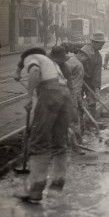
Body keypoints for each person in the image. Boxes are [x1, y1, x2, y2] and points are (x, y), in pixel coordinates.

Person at [13, 47, 71, 203]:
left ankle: (35, 191)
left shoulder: (30, 57)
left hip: (50, 94)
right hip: (65, 95)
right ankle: (57, 186)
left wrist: (29, 97)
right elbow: (21, 70)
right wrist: (18, 73)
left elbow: (33, 72)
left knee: (39, 142)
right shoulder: (50, 61)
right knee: (60, 143)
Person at [60, 42, 85, 147]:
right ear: (78, 53)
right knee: (74, 117)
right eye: (84, 56)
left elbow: (75, 84)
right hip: (70, 94)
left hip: (72, 93)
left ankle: (75, 139)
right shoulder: (73, 63)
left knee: (76, 115)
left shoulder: (75, 63)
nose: (86, 58)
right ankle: (75, 141)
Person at [76, 32, 105, 119]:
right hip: (79, 79)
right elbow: (77, 67)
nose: (102, 46)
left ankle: (91, 121)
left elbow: (97, 74)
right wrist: (80, 79)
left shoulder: (98, 56)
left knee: (92, 101)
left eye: (103, 44)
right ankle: (80, 123)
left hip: (89, 80)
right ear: (93, 42)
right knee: (78, 101)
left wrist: (96, 90)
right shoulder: (84, 52)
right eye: (100, 44)